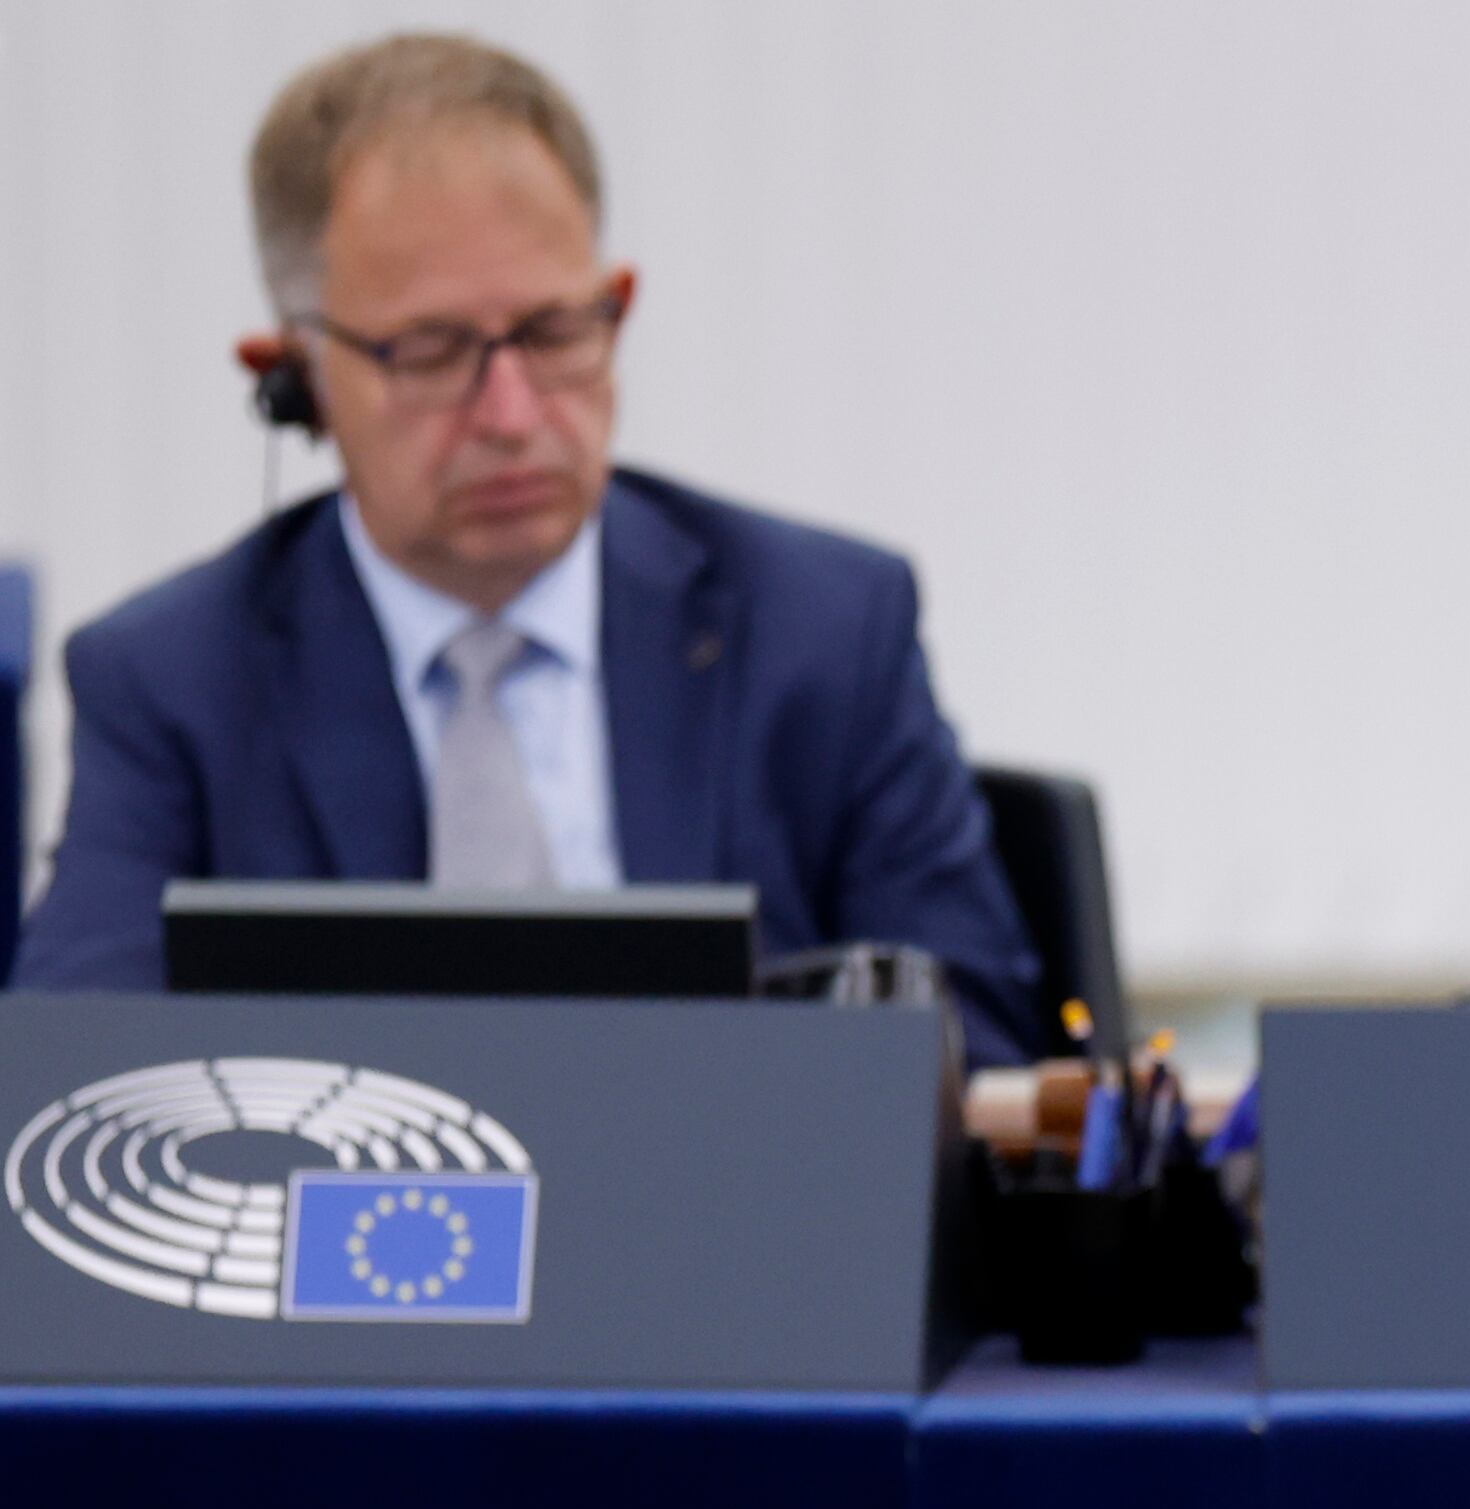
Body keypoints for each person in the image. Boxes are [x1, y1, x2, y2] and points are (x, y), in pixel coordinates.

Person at [13, 35, 1042, 1063]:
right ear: (294, 375)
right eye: (430, 351)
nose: (510, 414)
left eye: (554, 333)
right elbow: (75, 1087)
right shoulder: (173, 681)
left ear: (618, 304)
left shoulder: (822, 628)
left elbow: (974, 1062)